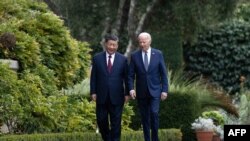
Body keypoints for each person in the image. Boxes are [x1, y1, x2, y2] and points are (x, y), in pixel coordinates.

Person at [128, 32, 168, 141]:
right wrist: (131, 88)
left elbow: (163, 74)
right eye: (140, 42)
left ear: (149, 41)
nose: (142, 44)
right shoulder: (134, 55)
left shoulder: (158, 54)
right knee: (145, 118)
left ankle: (155, 139)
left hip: (155, 91)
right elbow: (130, 75)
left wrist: (164, 90)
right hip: (141, 92)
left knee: (154, 113)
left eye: (144, 42)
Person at [90, 34, 129, 141]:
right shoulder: (97, 58)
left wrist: (127, 93)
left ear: (117, 45)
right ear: (106, 44)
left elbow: (127, 78)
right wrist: (93, 92)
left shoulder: (123, 59)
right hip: (101, 96)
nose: (112, 47)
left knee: (116, 122)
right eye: (110, 44)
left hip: (117, 96)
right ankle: (107, 139)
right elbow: (94, 77)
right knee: (101, 120)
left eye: (114, 45)